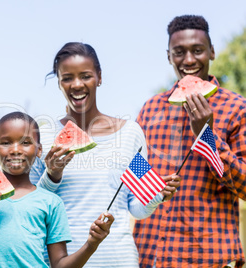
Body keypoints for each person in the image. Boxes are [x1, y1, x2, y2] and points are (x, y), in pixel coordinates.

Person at [29, 42, 180, 267]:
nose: (77, 85)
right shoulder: (44, 135)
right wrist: (51, 175)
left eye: (86, 76)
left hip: (119, 260)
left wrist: (157, 195)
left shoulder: (130, 134)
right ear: (59, 83)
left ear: (99, 77)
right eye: (67, 78)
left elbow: (136, 208)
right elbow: (31, 206)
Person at [133, 15, 246, 268]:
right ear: (169, 56)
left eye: (197, 50)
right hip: (149, 255)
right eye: (179, 52)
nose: (189, 60)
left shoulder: (238, 108)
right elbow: (136, 169)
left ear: (212, 52)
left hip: (208, 259)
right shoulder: (151, 109)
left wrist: (206, 134)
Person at [0, 111, 114, 267]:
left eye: (26, 143)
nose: (15, 150)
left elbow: (59, 264)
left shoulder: (51, 202)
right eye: (6, 142)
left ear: (39, 150)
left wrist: (91, 245)